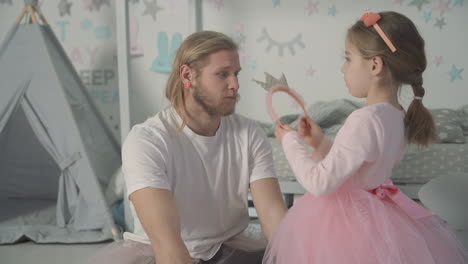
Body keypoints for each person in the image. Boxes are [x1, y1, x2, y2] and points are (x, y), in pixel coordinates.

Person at [263, 11, 468, 264]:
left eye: (348, 59)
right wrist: (319, 143)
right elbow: (356, 165)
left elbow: (320, 183)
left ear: (374, 65)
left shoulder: (364, 119)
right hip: (379, 216)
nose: (343, 68)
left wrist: (289, 142)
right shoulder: (396, 115)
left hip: (345, 222)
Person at [90, 31, 287, 264]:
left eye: (236, 74)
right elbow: (168, 245)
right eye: (223, 74)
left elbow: (274, 217)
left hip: (229, 248)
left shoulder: (249, 134)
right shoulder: (147, 140)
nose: (235, 85)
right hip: (163, 254)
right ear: (188, 76)